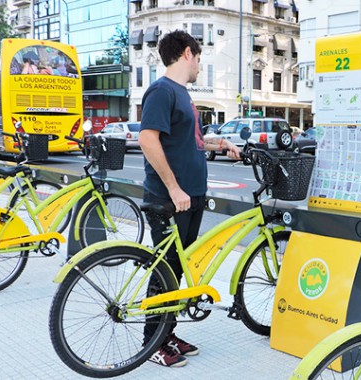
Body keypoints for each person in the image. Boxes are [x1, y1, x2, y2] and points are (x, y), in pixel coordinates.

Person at [139, 30, 240, 368]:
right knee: (164, 271)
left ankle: (167, 333)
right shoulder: (161, 90)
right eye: (198, 58)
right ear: (187, 54)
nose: (199, 65)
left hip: (191, 197)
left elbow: (190, 141)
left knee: (178, 270)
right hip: (171, 199)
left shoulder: (183, 95)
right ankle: (151, 341)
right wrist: (173, 188)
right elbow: (148, 139)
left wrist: (221, 145)